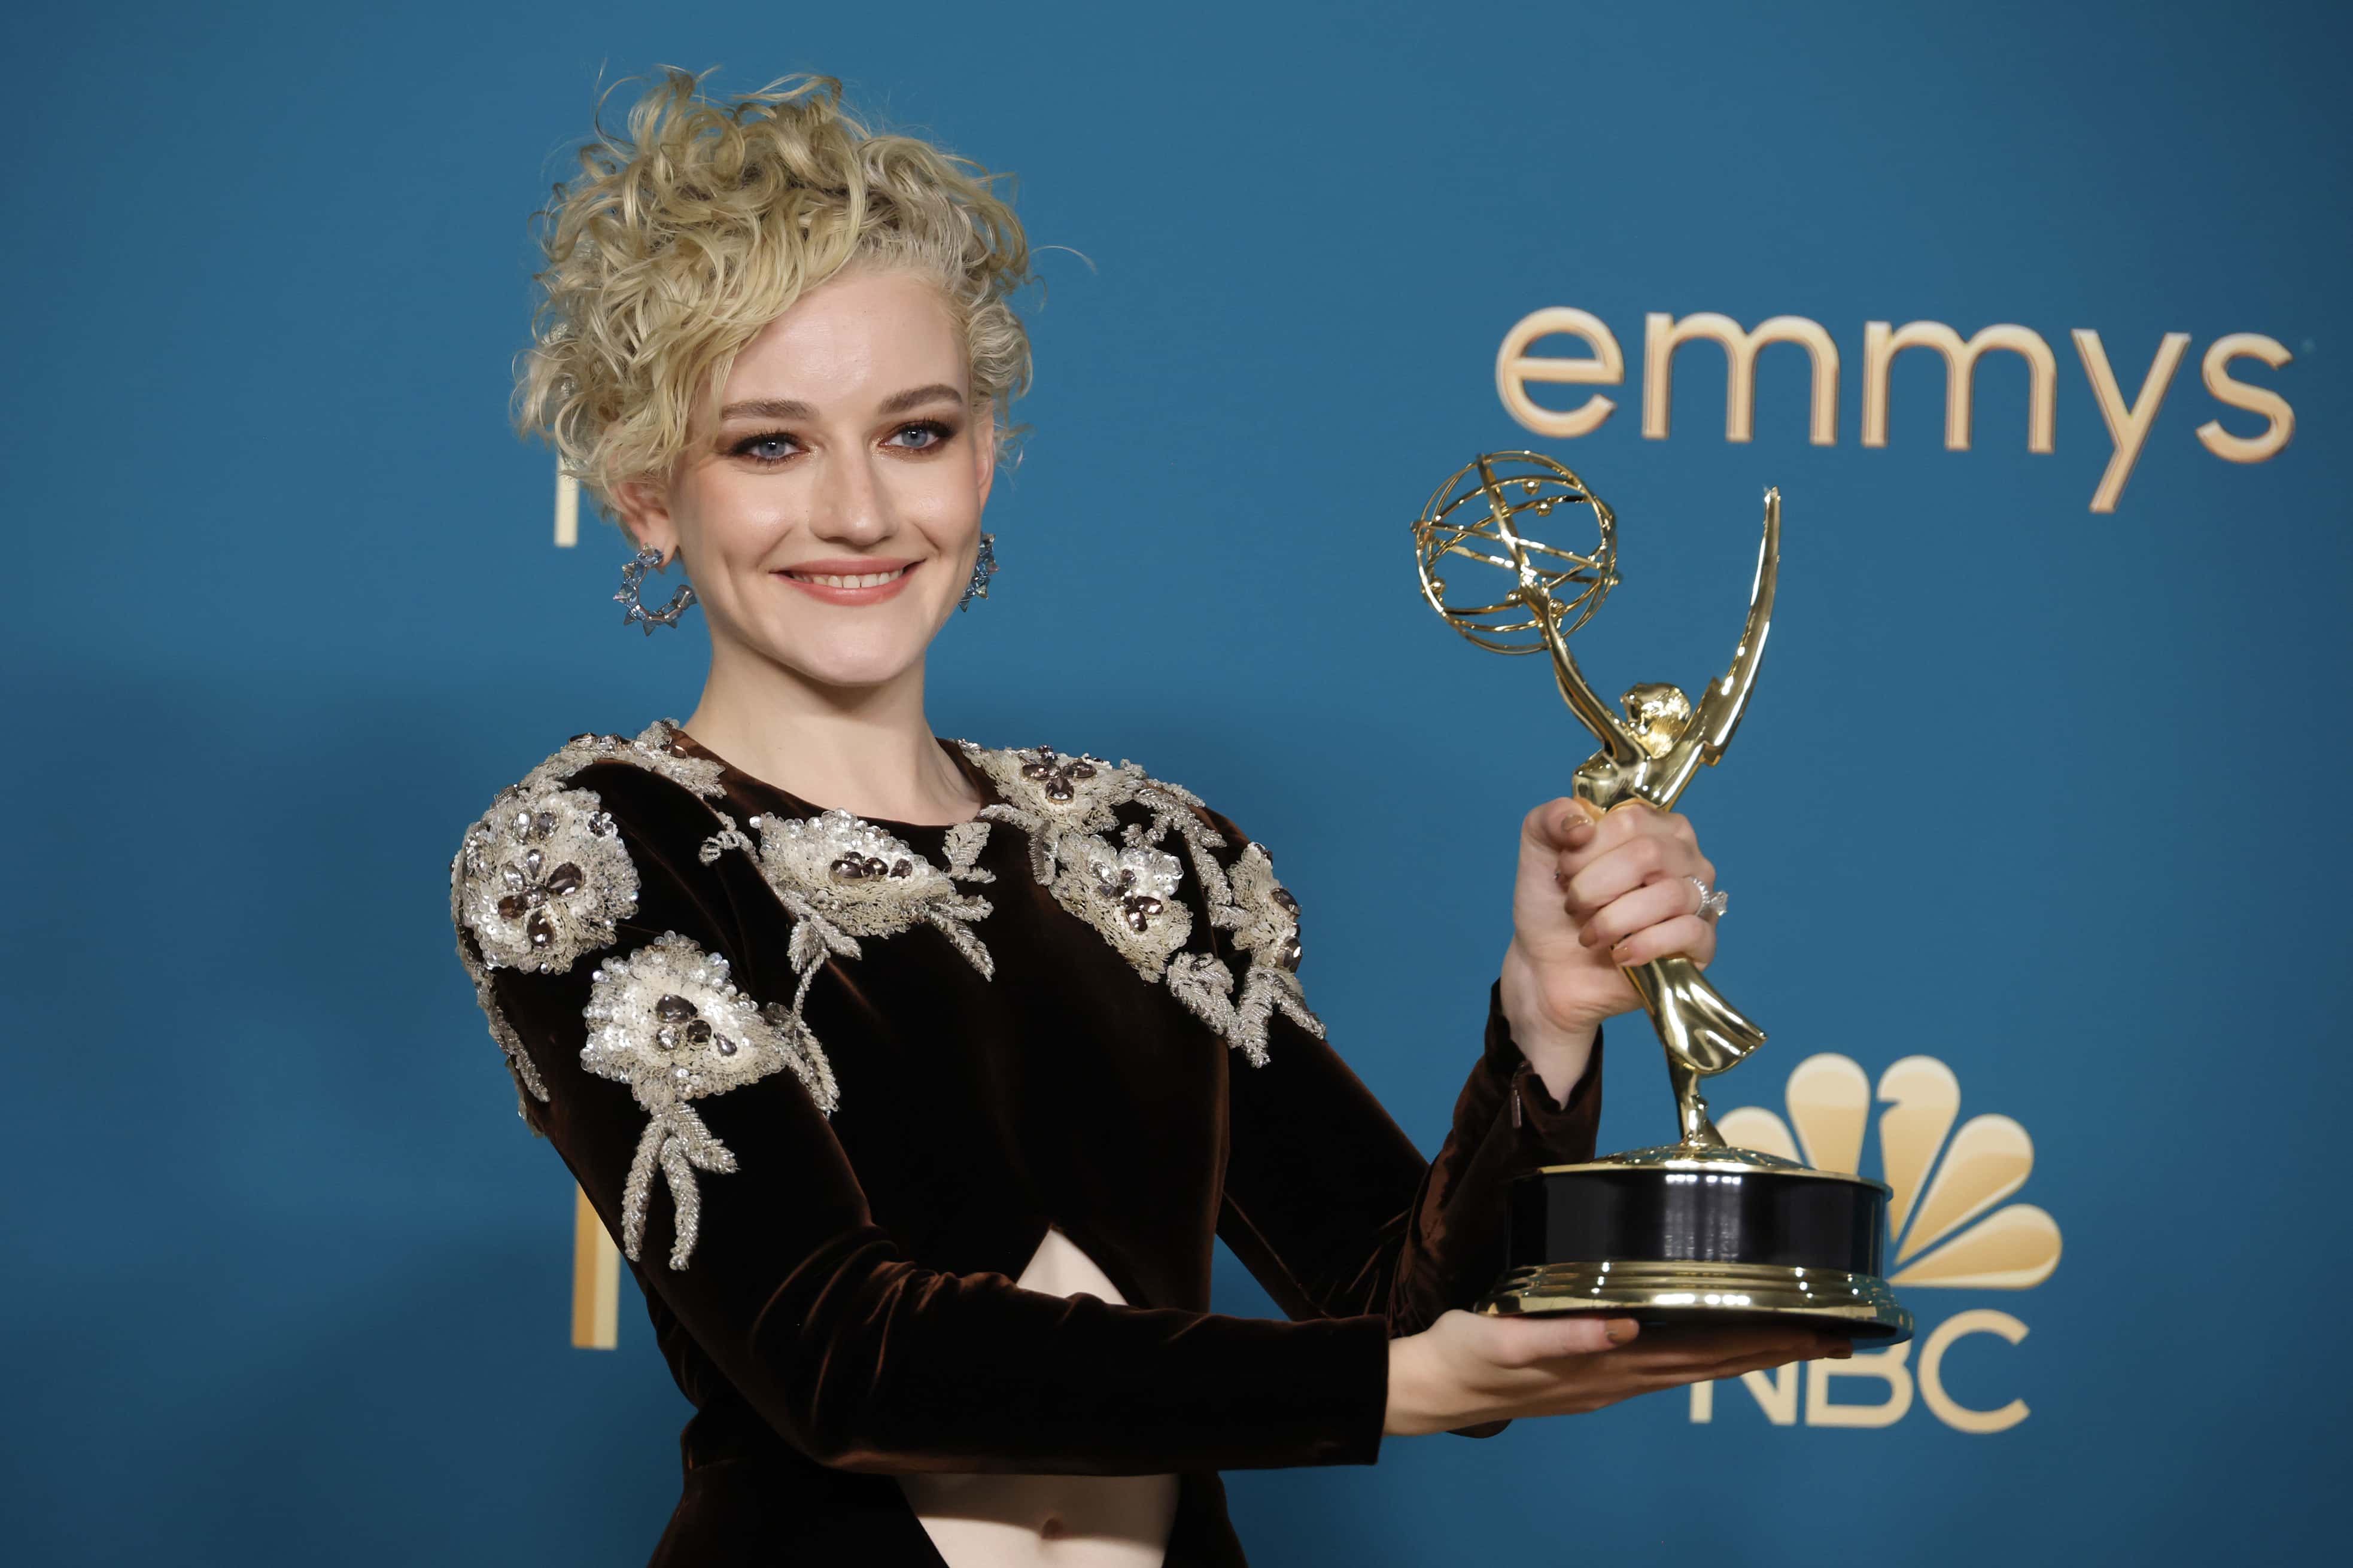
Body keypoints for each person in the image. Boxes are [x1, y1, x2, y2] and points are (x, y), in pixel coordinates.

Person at [450, 68, 1848, 1568]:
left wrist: (1543, 1026)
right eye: (769, 444)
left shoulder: (1153, 855)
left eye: (914, 432)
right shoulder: (595, 851)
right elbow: (836, 1361)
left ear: (990, 458)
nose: (858, 511)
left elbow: (1403, 1310)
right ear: (648, 493)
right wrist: (1390, 1390)